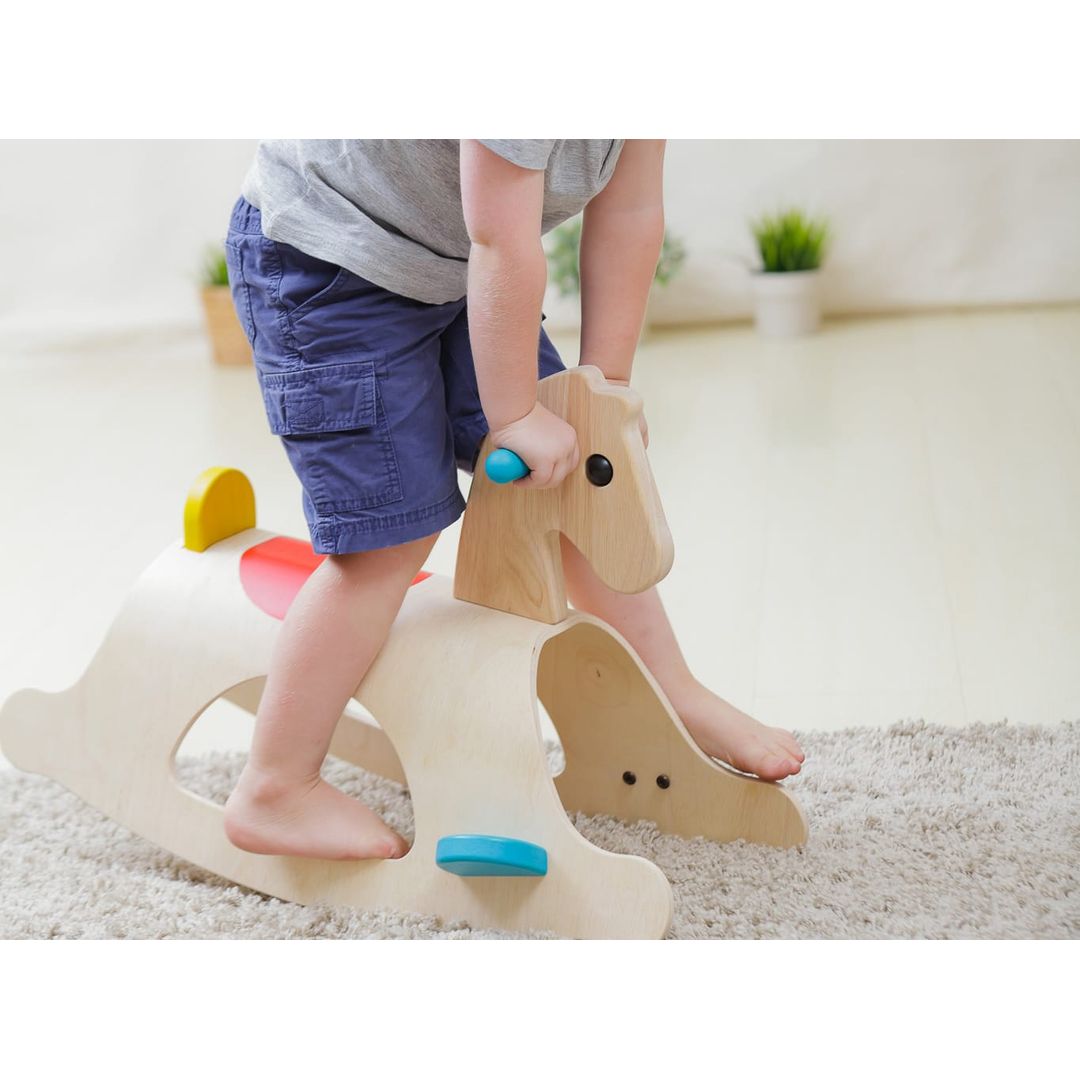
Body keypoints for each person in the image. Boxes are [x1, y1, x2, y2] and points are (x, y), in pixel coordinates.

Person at [222, 139, 804, 861]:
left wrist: (600, 393)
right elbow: (501, 238)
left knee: (576, 476)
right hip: (333, 263)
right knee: (390, 538)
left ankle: (672, 689)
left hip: (459, 265)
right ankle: (275, 786)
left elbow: (630, 212)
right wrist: (516, 416)